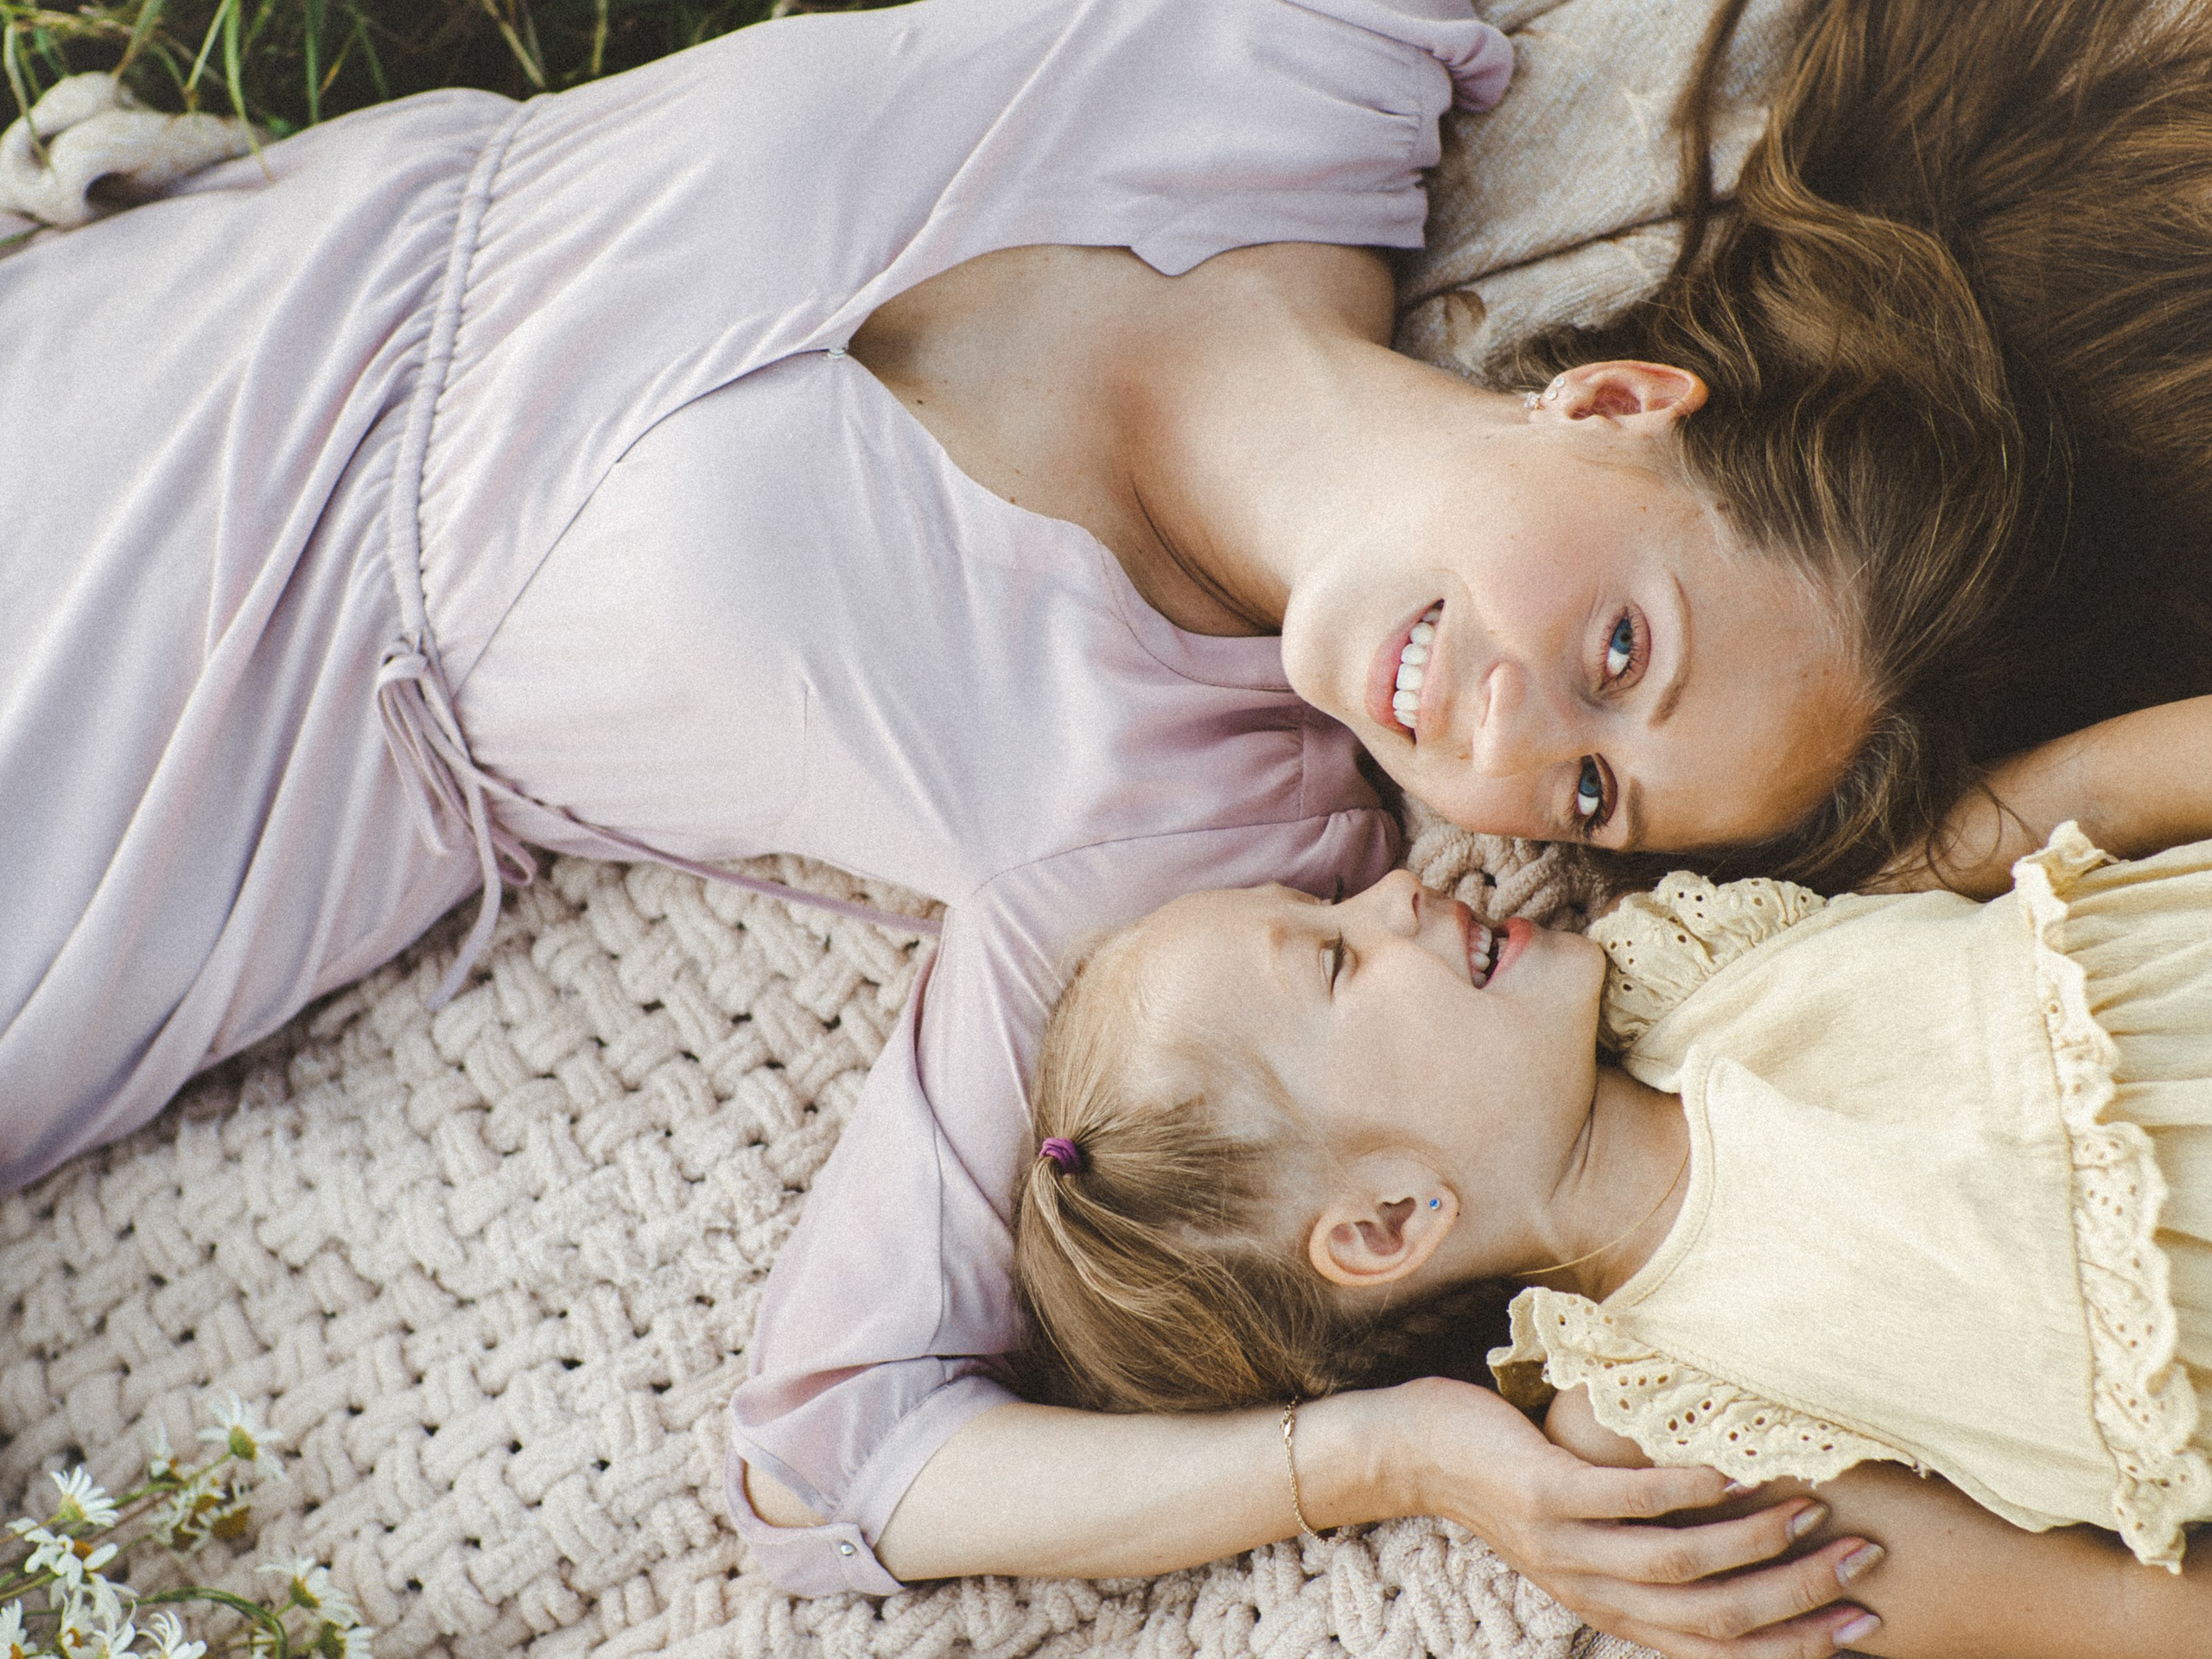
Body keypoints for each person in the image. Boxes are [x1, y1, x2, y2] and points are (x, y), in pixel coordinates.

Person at [0, 0, 2178, 1648]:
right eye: (1612, 646)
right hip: (163, 322)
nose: (1510, 757)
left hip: (177, 779)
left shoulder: (1182, 847)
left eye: (1594, 795)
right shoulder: (1289, 64)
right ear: (1609, 403)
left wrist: (1390, 1455)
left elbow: (841, 1451)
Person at [1010, 832, 2212, 1656]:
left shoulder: (1693, 953)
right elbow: (2120, 1620)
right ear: (1386, 1224)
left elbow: (2066, 817)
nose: (1397, 892)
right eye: (1337, 957)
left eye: (1328, 901)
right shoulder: (1654, 1439)